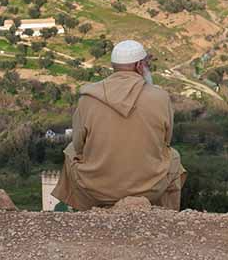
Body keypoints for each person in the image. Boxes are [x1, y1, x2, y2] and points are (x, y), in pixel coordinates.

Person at [52, 39, 186, 211]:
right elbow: (165, 141)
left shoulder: (88, 98)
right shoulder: (160, 97)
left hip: (96, 189)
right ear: (139, 65)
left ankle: (85, 213)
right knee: (173, 156)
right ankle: (163, 215)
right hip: (148, 189)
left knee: (70, 151)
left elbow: (79, 145)